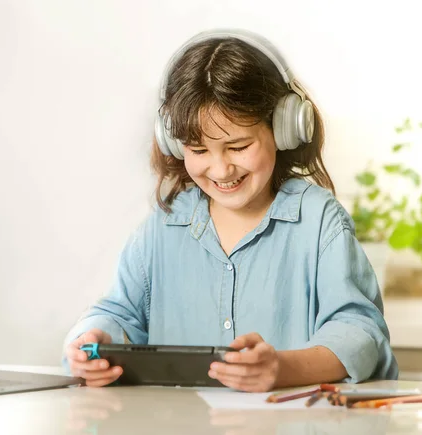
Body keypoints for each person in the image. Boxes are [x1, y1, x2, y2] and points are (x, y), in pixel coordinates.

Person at [62, 28, 398, 392]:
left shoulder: (318, 222)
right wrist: (89, 342)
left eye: (238, 146)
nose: (221, 170)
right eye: (200, 150)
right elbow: (117, 313)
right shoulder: (163, 227)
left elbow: (360, 331)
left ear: (284, 128)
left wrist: (281, 369)